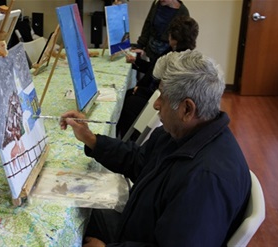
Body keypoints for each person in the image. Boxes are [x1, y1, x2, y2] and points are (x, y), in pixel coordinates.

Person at [59, 50, 251, 246]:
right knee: (71, 208)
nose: (156, 104)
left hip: (137, 237)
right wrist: (91, 139)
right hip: (137, 226)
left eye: (163, 98)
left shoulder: (205, 180)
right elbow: (139, 160)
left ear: (187, 109)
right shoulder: (184, 133)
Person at [117, 15, 199, 139]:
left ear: (173, 38)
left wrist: (139, 90)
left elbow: (160, 89)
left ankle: (128, 141)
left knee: (125, 102)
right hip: (156, 96)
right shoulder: (185, 55)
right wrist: (136, 62)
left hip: (157, 100)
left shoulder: (173, 59)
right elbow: (152, 69)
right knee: (126, 95)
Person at [131, 0, 189, 66]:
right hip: (152, 50)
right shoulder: (157, 3)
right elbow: (147, 25)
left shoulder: (183, 12)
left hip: (168, 56)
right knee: (150, 70)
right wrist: (140, 46)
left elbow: (183, 41)